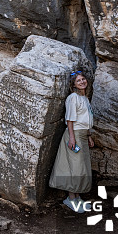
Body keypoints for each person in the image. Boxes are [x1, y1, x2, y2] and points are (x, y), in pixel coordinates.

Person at [49, 69, 95, 212]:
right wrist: (72, 138)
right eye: (78, 81)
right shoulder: (73, 97)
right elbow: (70, 119)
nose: (82, 82)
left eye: (83, 79)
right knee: (74, 167)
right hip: (73, 135)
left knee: (82, 167)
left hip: (82, 135)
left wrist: (89, 136)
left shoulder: (85, 98)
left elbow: (85, 120)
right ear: (73, 84)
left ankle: (78, 198)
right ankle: (71, 198)